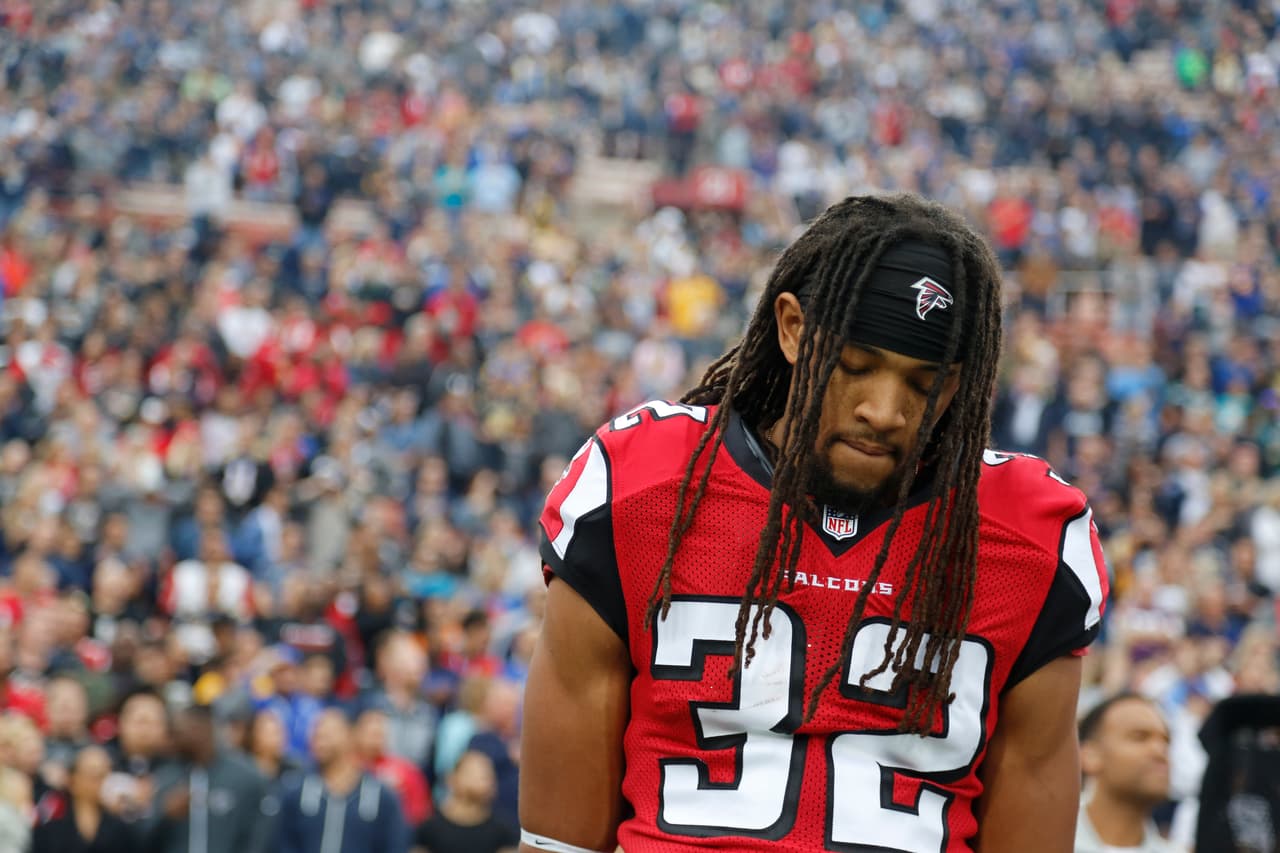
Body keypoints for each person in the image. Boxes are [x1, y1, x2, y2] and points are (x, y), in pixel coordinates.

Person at [520, 194, 1111, 852]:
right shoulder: (641, 488)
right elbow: (557, 843)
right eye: (856, 366)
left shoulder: (1033, 538)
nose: (885, 411)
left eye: (925, 384)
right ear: (793, 328)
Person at [275, 708, 411, 853]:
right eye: (317, 735)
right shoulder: (295, 792)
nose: (319, 742)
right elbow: (282, 844)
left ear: (350, 735)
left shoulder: (381, 797)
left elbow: (394, 846)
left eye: (327, 735)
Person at [142, 703, 274, 853]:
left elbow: (259, 835)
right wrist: (165, 815)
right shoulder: (166, 777)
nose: (173, 738)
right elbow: (144, 839)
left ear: (203, 730)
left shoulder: (246, 777)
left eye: (180, 732)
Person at [1074, 694, 1177, 852]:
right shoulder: (1044, 841)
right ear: (1090, 755)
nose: (1160, 751)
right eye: (1139, 737)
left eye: (1166, 741)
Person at [32, 745, 136, 853]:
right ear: (72, 779)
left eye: (105, 774)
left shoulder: (120, 824)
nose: (102, 782)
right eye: (94, 775)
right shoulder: (52, 818)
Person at [414, 750, 518, 853]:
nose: (485, 780)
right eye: (473, 773)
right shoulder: (429, 829)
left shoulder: (504, 831)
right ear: (451, 779)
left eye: (488, 775)